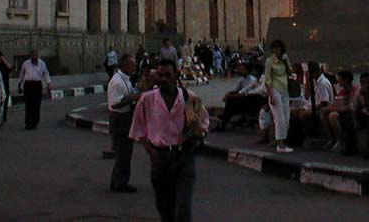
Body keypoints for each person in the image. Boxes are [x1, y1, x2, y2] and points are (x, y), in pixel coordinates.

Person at [130, 59, 209, 222]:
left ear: (176, 75)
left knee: (183, 210)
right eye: (160, 75)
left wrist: (196, 132)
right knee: (164, 207)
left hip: (184, 157)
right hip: (160, 158)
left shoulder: (189, 97)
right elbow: (138, 130)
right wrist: (151, 152)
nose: (164, 79)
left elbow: (204, 122)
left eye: (168, 75)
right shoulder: (147, 100)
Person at [108, 54, 141, 193]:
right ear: (125, 65)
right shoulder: (117, 82)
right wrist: (132, 98)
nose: (134, 67)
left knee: (124, 152)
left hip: (125, 117)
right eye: (132, 65)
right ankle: (120, 182)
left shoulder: (125, 79)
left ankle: (117, 180)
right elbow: (115, 104)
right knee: (124, 152)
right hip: (119, 119)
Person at [264, 39, 294, 153]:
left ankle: (282, 141)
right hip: (274, 89)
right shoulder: (269, 61)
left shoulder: (285, 59)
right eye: (274, 48)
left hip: (285, 90)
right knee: (279, 118)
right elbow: (267, 79)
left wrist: (286, 63)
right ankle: (280, 145)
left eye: (278, 48)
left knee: (286, 117)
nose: (276, 50)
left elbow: (290, 73)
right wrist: (270, 95)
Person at [321, 70, 357, 154]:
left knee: (332, 116)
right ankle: (331, 139)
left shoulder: (354, 90)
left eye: (339, 78)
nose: (338, 80)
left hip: (351, 114)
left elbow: (349, 108)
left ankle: (340, 140)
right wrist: (326, 109)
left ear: (345, 80)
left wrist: (332, 109)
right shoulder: (342, 91)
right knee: (323, 114)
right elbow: (335, 103)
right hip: (342, 112)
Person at [216, 62, 260, 132]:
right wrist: (228, 94)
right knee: (231, 102)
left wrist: (232, 96)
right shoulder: (242, 80)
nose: (240, 71)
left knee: (231, 102)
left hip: (250, 101)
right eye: (240, 69)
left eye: (243, 69)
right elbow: (237, 90)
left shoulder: (252, 80)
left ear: (248, 70)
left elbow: (247, 93)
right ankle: (223, 122)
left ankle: (223, 120)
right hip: (242, 100)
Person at [18, 49, 51, 130]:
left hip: (37, 85)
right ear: (30, 56)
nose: (33, 58)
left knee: (36, 104)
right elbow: (21, 74)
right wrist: (19, 85)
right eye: (32, 56)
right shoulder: (26, 63)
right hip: (28, 85)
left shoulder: (42, 63)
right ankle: (28, 122)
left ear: (37, 56)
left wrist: (48, 84)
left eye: (35, 56)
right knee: (28, 104)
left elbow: (46, 74)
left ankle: (35, 122)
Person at [0, 50, 13, 123]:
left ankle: (3, 116)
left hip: (5, 85)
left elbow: (10, 68)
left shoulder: (4, 64)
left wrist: (4, 60)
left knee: (4, 101)